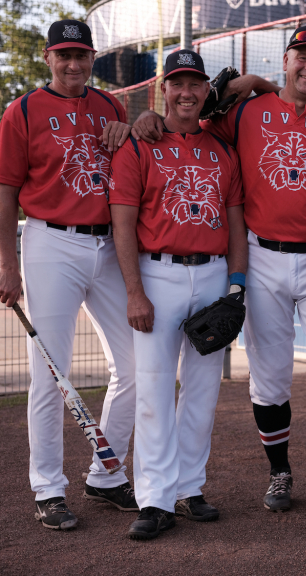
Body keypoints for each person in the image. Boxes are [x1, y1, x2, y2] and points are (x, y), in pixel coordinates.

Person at [131, 25, 306, 512]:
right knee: (268, 374)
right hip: (258, 256)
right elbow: (186, 118)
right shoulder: (245, 113)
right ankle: (280, 472)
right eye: (302, 56)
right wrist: (146, 117)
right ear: (285, 60)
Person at [0, 19, 137, 530]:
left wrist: (129, 131)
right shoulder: (24, 110)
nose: (73, 64)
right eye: (64, 55)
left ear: (93, 56)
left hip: (106, 244)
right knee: (50, 373)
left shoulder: (111, 105)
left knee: (137, 368)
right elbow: (6, 189)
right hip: (49, 239)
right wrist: (6, 263)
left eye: (82, 54)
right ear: (48, 57)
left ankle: (105, 475)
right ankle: (48, 488)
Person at [109, 50, 248, 540]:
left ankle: (189, 488)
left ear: (205, 92)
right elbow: (122, 224)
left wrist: (237, 286)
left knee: (203, 391)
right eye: (177, 83)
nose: (186, 92)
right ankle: (154, 497)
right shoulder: (139, 144)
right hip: (158, 274)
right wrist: (134, 292)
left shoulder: (222, 147)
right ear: (162, 90)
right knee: (152, 390)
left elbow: (235, 222)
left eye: (195, 84)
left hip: (211, 275)